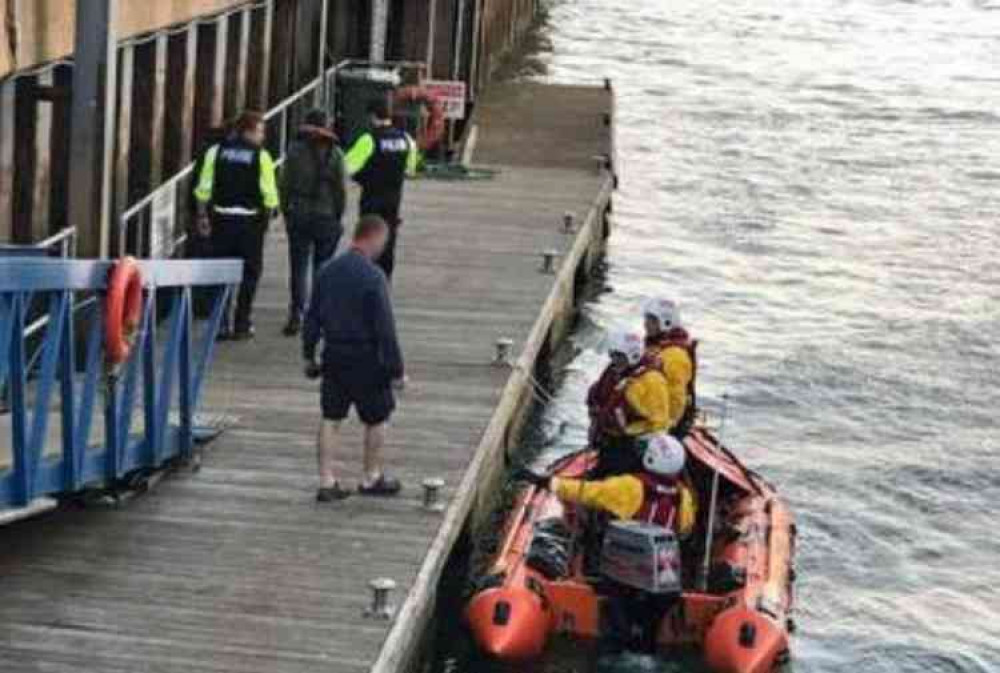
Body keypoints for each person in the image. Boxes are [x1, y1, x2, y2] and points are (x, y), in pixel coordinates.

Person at [517, 433, 695, 653]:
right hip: (661, 582)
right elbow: (686, 529)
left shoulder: (629, 486)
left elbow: (587, 492)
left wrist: (546, 481)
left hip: (621, 578)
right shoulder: (683, 497)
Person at [302, 215, 406, 502]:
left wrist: (308, 355)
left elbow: (312, 318)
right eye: (382, 243)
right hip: (366, 358)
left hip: (334, 354)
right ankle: (371, 477)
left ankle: (326, 481)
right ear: (372, 238)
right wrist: (397, 369)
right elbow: (385, 328)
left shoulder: (327, 271)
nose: (382, 249)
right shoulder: (373, 277)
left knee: (331, 418)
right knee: (377, 417)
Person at [194, 110, 279, 340]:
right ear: (248, 131)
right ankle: (242, 322)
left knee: (220, 272)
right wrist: (267, 222)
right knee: (250, 273)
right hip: (249, 222)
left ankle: (220, 323)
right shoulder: (261, 156)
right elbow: (269, 195)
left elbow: (204, 188)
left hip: (221, 219)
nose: (262, 136)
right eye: (260, 131)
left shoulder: (216, 152)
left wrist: (202, 217)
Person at [279, 108, 347, 336]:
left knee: (298, 267)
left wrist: (285, 211)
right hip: (326, 216)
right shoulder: (335, 153)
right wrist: (338, 215)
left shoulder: (295, 151)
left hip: (299, 214)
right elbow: (341, 190)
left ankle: (296, 314)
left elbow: (285, 184)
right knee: (323, 268)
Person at [343, 98, 419, 281]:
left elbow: (347, 167)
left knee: (367, 242)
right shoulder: (406, 140)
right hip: (393, 202)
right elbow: (410, 169)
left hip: (371, 201)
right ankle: (384, 283)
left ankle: (366, 281)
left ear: (372, 117)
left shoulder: (369, 139)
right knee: (388, 243)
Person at [587, 329, 672, 477]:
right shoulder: (616, 372)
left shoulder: (652, 381)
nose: (614, 360)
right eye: (613, 355)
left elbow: (660, 423)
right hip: (611, 440)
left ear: (633, 355)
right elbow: (599, 398)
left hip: (633, 445)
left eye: (619, 356)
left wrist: (644, 446)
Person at [642, 299, 697, 436]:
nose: (646, 324)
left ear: (666, 323)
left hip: (664, 426)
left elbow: (675, 399)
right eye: (647, 319)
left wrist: (662, 430)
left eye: (652, 320)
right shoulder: (656, 346)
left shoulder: (674, 357)